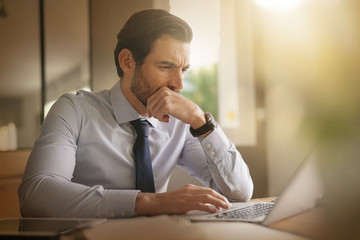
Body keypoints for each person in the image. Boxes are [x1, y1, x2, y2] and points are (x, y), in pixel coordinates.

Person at [18, 9, 253, 218]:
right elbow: (36, 194)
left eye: (183, 69)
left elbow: (240, 192)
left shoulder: (180, 123)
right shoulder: (74, 110)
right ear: (127, 62)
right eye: (166, 67)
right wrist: (151, 202)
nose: (178, 83)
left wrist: (202, 123)